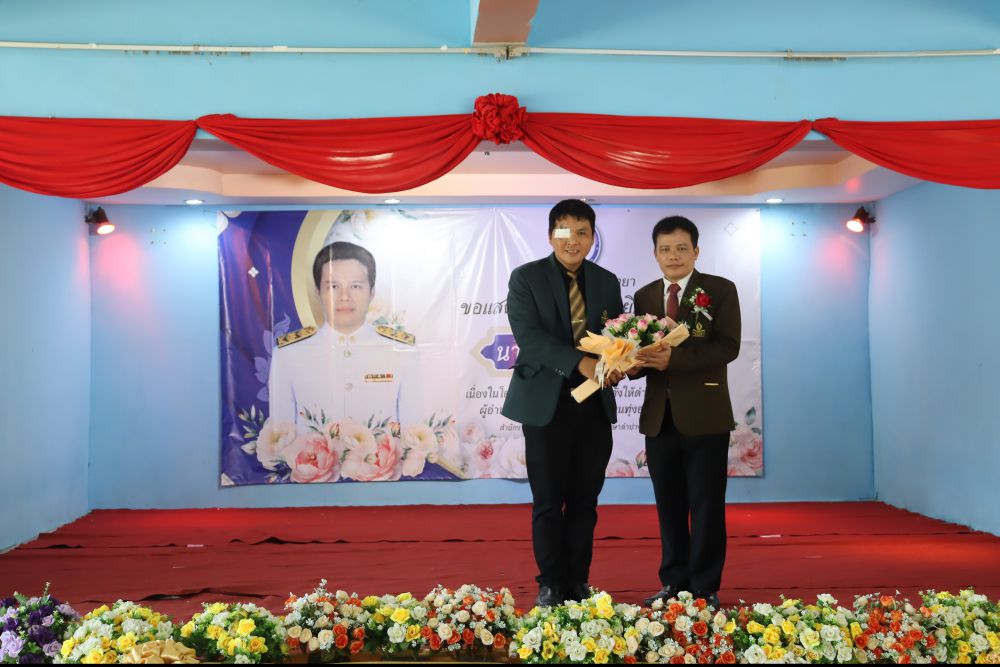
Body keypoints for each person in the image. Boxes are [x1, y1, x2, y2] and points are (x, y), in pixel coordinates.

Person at [502, 199, 625, 607]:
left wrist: (618, 364)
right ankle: (550, 583)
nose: (573, 241)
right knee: (549, 500)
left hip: (593, 405)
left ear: (592, 237)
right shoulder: (526, 278)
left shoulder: (606, 281)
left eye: (582, 232)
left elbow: (618, 336)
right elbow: (530, 339)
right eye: (564, 232)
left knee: (586, 500)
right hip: (546, 406)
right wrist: (582, 363)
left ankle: (578, 581)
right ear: (550, 235)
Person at [631, 215, 741, 609]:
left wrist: (673, 360)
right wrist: (630, 365)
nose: (673, 256)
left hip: (706, 415)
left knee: (706, 505)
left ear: (696, 251)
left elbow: (728, 346)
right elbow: (643, 350)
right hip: (659, 418)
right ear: (655, 254)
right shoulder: (644, 296)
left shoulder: (720, 289)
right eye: (665, 249)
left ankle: (705, 586)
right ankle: (674, 583)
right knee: (669, 507)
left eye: (681, 248)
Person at [268, 241, 415, 431]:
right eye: (333, 286)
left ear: (372, 292)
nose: (344, 296)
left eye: (355, 286)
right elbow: (280, 435)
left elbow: (415, 432)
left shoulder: (403, 353)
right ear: (318, 292)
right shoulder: (287, 355)